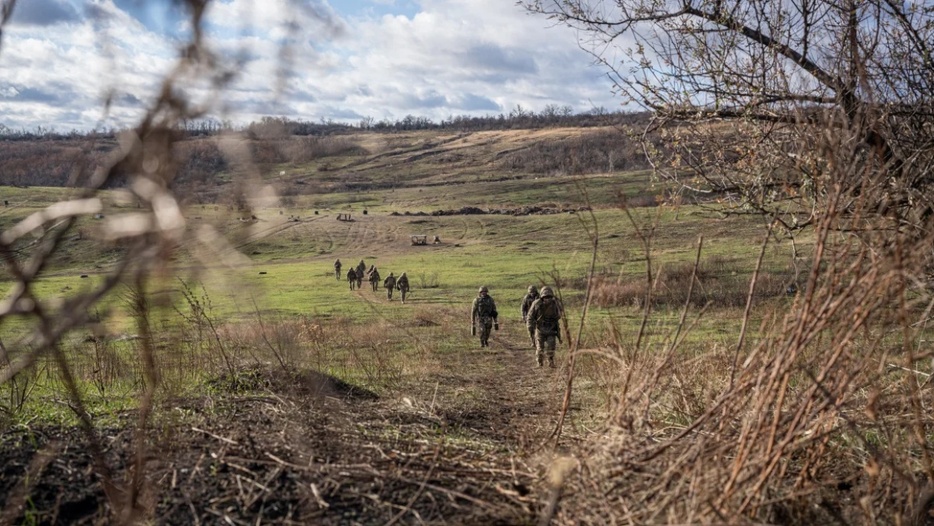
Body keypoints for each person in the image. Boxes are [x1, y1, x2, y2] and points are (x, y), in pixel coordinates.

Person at [526, 286, 562, 368]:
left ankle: (551, 362)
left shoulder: (555, 304)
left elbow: (560, 313)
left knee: (551, 347)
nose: (547, 299)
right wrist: (530, 326)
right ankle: (539, 363)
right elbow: (530, 316)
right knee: (539, 348)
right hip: (540, 329)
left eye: (549, 297)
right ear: (542, 297)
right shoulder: (536, 304)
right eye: (546, 297)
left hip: (551, 329)